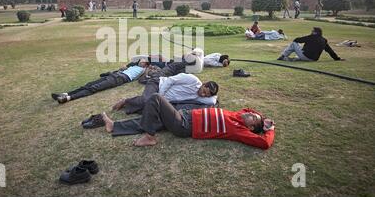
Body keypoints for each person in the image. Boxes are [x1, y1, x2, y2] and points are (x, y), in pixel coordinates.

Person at [102, 94, 275, 149]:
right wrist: (262, 118)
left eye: (253, 118)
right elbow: (248, 109)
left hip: (185, 126)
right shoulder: (238, 115)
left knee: (155, 99)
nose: (251, 114)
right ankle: (115, 126)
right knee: (152, 117)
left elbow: (263, 143)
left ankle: (150, 137)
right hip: (185, 115)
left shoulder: (240, 130)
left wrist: (269, 128)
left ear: (251, 127)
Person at [112, 73, 219, 115]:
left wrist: (213, 96)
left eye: (207, 95)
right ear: (204, 84)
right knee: (147, 101)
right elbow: (170, 80)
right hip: (157, 84)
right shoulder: (192, 80)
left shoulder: (198, 97)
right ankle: (126, 101)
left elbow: (212, 100)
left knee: (153, 110)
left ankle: (131, 106)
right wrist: (160, 95)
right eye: (204, 92)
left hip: (162, 99)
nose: (203, 95)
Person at [51, 59, 150, 104]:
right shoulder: (133, 66)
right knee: (89, 84)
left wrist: (148, 67)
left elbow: (145, 75)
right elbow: (123, 67)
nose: (141, 61)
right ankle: (65, 94)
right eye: (141, 60)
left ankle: (68, 98)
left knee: (94, 88)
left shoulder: (143, 71)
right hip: (115, 75)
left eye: (144, 61)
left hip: (121, 78)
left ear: (146, 64)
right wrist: (123, 67)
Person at [277, 27, 344, 62]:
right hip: (314, 59)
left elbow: (296, 40)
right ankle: (296, 58)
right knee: (300, 48)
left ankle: (283, 56)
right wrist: (337, 58)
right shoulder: (324, 40)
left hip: (306, 57)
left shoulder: (311, 37)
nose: (311, 32)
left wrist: (306, 38)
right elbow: (330, 50)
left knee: (294, 44)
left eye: (312, 31)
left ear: (316, 33)